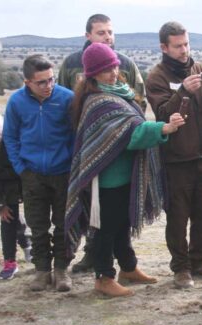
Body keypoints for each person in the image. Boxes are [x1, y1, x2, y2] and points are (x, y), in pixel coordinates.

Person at [65, 42, 185, 297]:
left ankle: (128, 268)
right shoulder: (98, 101)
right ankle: (103, 277)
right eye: (106, 69)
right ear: (93, 73)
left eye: (115, 66)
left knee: (121, 224)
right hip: (106, 179)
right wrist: (162, 128)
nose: (113, 72)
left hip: (124, 174)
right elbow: (129, 134)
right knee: (105, 229)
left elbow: (129, 127)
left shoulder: (119, 92)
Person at [60, 13, 148, 273]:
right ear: (88, 35)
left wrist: (125, 123)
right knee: (102, 218)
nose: (108, 37)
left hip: (124, 154)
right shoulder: (73, 66)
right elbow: (69, 107)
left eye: (110, 32)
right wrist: (103, 132)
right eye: (101, 33)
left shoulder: (125, 65)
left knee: (119, 217)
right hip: (94, 155)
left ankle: (127, 266)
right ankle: (100, 268)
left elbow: (138, 104)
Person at [146, 21, 202, 289]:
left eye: (186, 44)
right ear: (164, 47)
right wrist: (183, 92)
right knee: (178, 216)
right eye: (178, 46)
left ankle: (199, 260)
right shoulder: (156, 76)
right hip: (176, 159)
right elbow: (161, 115)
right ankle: (180, 267)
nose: (184, 50)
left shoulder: (200, 69)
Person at [3, 55, 74, 292]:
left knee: (64, 224)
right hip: (32, 174)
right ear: (27, 82)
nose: (48, 86)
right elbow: (10, 137)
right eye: (41, 82)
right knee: (38, 225)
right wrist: (21, 168)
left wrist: (73, 163)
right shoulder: (16, 103)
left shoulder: (66, 99)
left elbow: (76, 135)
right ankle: (42, 270)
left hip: (63, 172)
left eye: (51, 79)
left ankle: (62, 269)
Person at [0, 107, 32, 280]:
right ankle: (10, 261)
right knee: (7, 217)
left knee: (33, 217)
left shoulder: (10, 138)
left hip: (26, 177)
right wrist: (0, 204)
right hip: (0, 184)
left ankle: (31, 247)